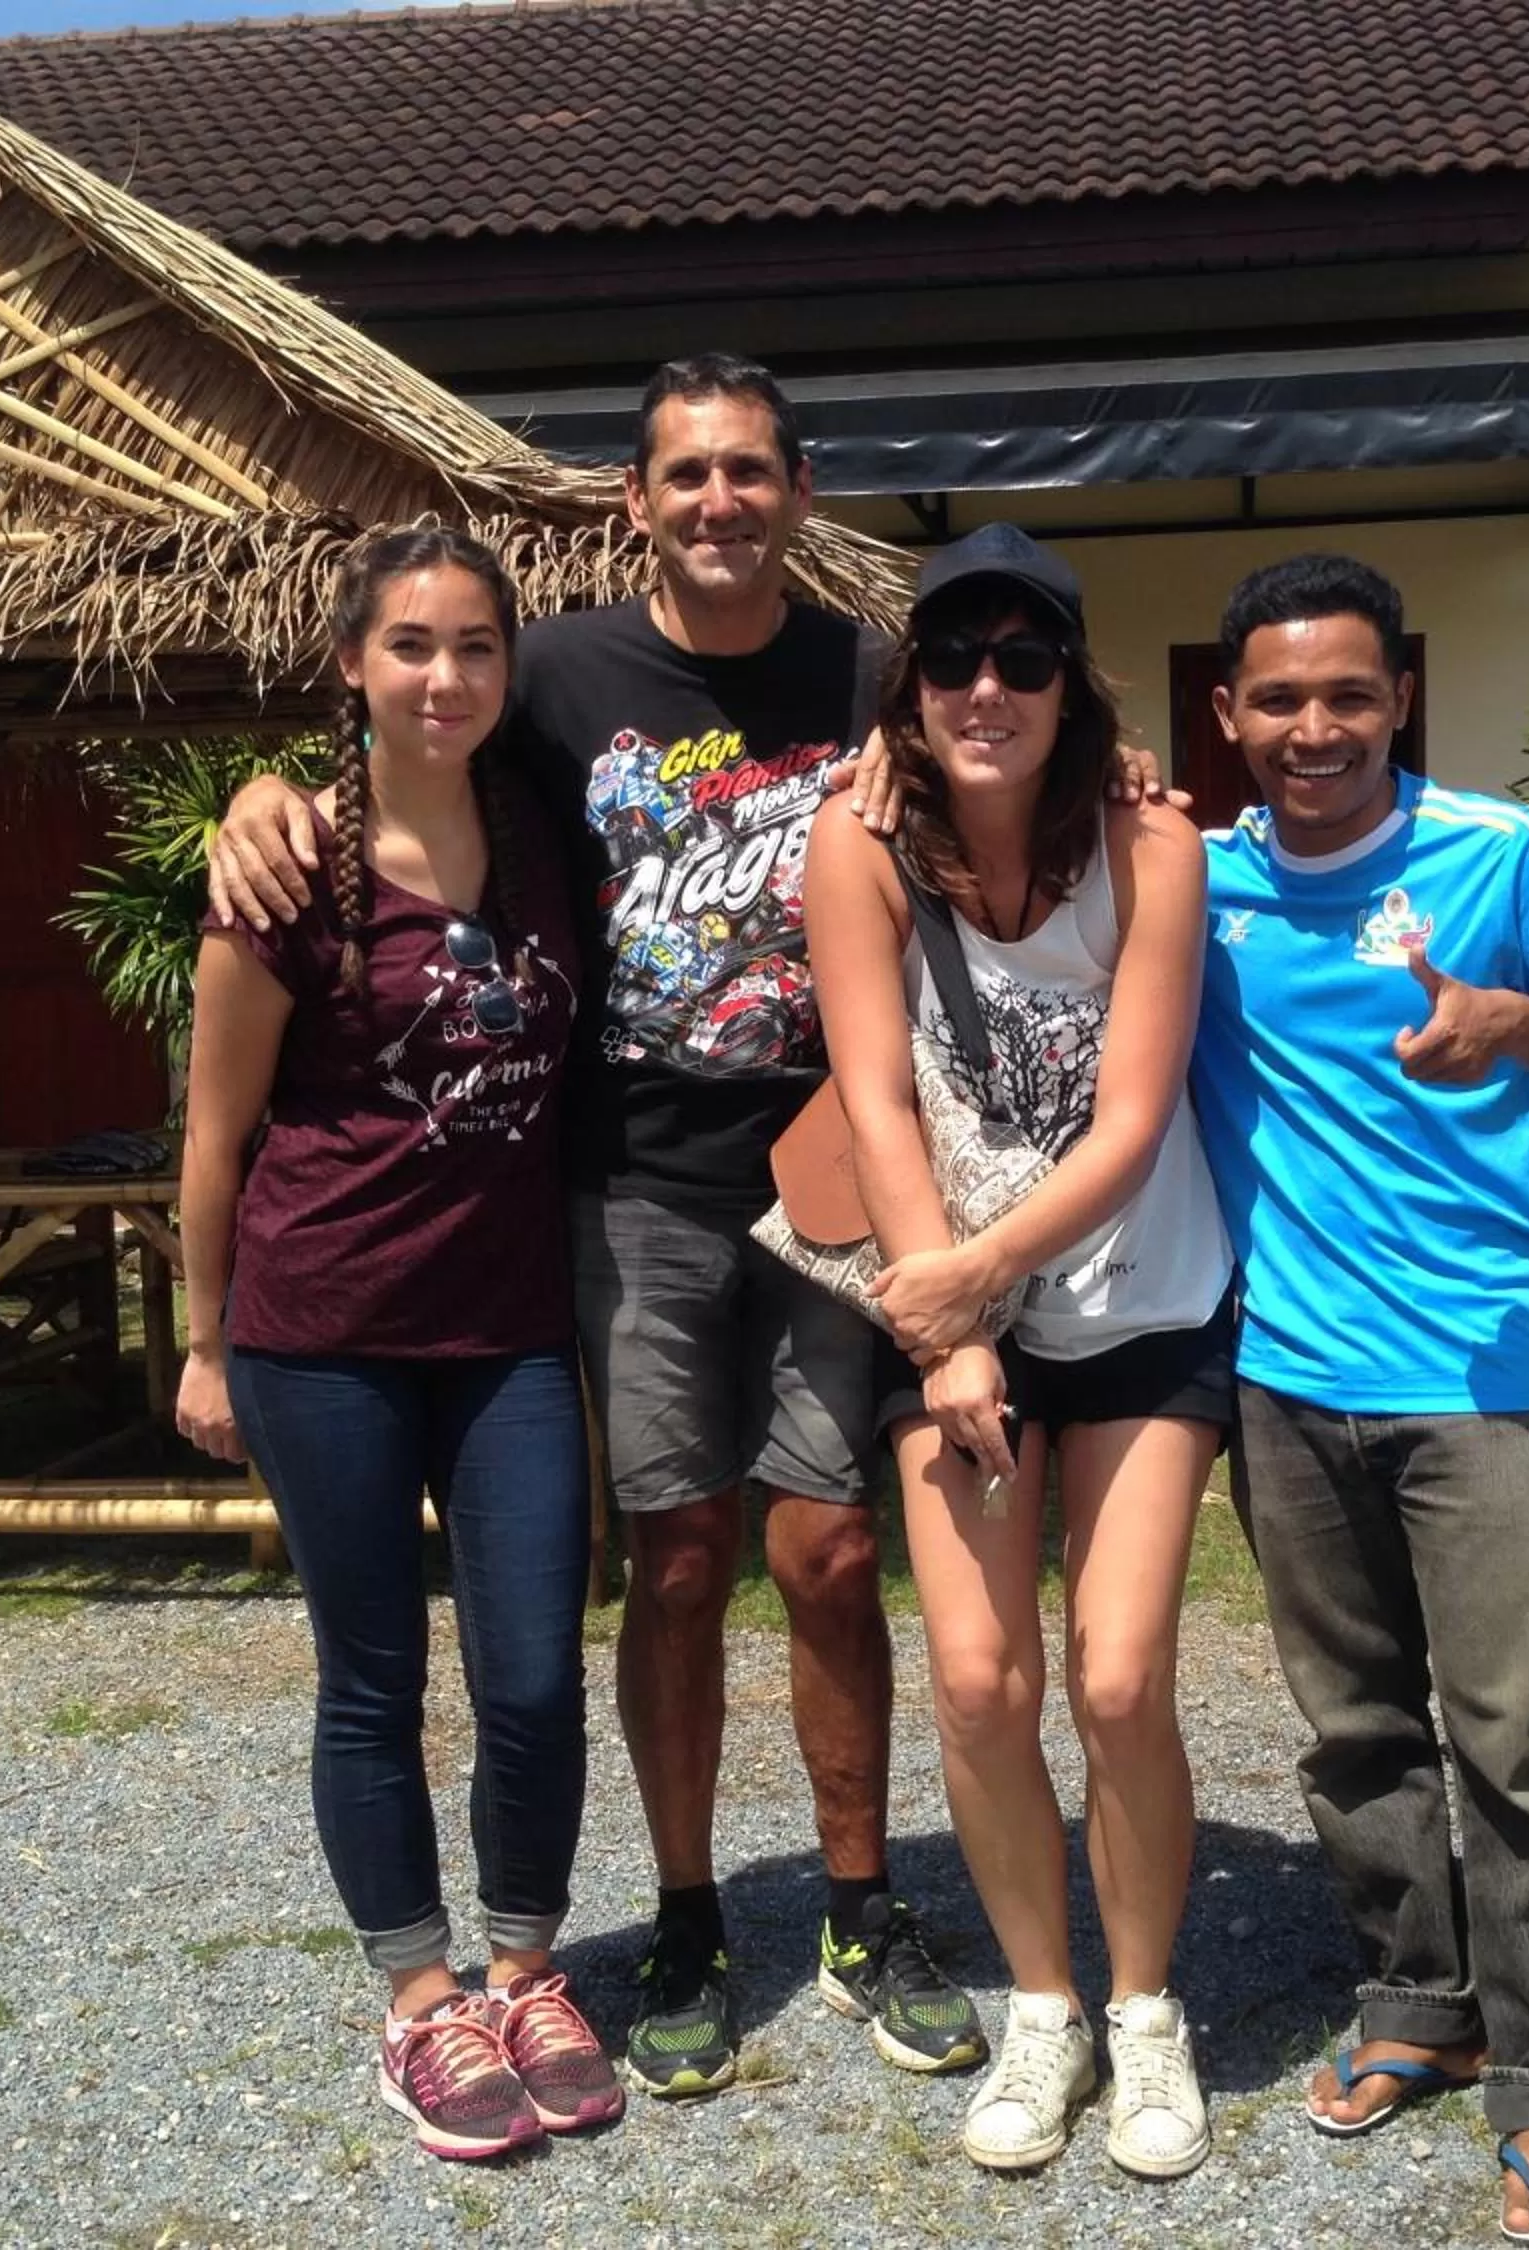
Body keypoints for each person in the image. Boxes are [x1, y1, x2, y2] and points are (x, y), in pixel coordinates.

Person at [205, 357, 986, 2097]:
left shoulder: (867, 672)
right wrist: (258, 802)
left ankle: (859, 1902)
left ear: (799, 491)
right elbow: (406, 752)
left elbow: (1015, 763)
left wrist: (1131, 759)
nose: (720, 501)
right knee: (681, 1558)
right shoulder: (552, 672)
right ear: (633, 501)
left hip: (828, 1172)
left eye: (751, 473)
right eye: (685, 475)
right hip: (631, 1183)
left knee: (831, 1553)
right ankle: (693, 1914)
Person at [1191, 554, 1529, 2245]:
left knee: (1519, 1738)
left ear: (1400, 698)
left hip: (1481, 1373)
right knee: (1355, 1726)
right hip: (1284, 1375)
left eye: (1348, 695)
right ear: (1230, 713)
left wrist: (1519, 1020)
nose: (1314, 728)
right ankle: (1417, 1995)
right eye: (1279, 699)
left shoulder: (1500, 854)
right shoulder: (1201, 884)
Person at [174, 526, 620, 2162]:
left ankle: (524, 1966)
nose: (448, 676)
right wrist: (204, 1344)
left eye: (477, 648)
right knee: (371, 1679)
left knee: (532, 1672)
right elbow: (213, 1140)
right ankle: (420, 1999)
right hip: (322, 1334)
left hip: (505, 1335)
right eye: (413, 647)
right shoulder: (286, 876)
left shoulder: (547, 838)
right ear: (353, 665)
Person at [804, 526, 1232, 2180]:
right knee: (983, 1682)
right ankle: (1041, 2001)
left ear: (1075, 683)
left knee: (1118, 1675)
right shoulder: (861, 846)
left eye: (1027, 659)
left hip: (1136, 1294)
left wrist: (968, 1282)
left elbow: (1131, 1122)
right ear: (911, 686)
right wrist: (952, 1316)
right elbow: (875, 1093)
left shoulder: (1149, 842)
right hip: (949, 1300)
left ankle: (1142, 2009)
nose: (990, 688)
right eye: (956, 658)